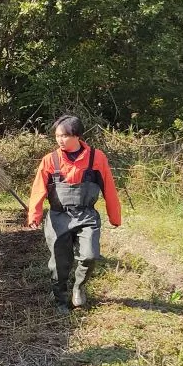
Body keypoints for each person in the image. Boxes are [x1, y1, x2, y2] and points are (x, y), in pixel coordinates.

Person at [27, 115, 121, 314]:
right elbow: (38, 189)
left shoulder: (97, 158)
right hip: (58, 217)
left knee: (89, 255)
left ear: (77, 136)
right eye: (57, 136)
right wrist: (34, 215)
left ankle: (78, 287)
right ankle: (60, 299)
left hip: (86, 216)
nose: (60, 140)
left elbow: (109, 188)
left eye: (64, 136)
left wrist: (115, 216)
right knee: (59, 263)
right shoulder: (50, 160)